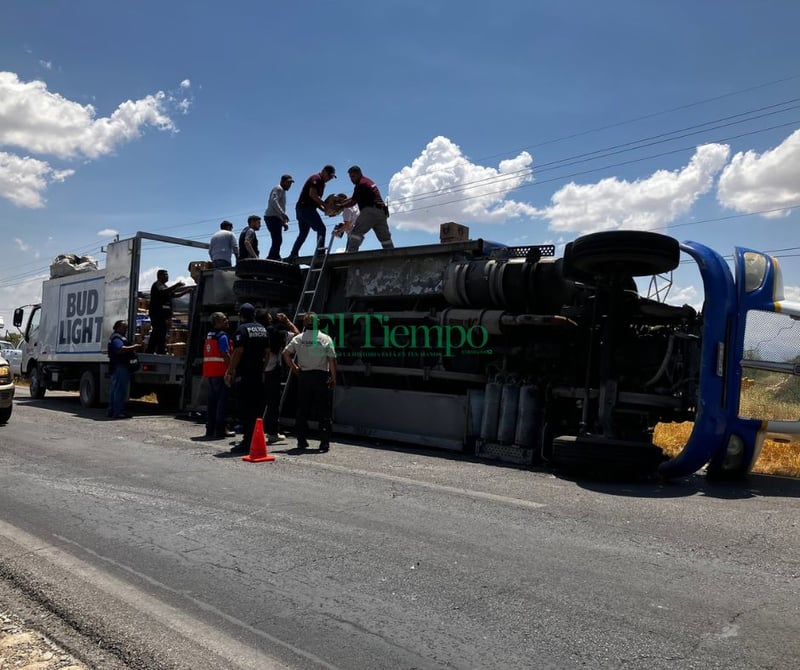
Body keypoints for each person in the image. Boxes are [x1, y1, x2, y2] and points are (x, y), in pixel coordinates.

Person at [282, 312, 337, 452]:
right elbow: (332, 360)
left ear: (305, 324)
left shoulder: (299, 339)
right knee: (323, 410)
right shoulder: (325, 339)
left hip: (304, 376)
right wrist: (333, 377)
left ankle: (301, 441)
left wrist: (295, 369)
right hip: (321, 376)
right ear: (318, 323)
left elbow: (285, 354)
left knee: (302, 409)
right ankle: (324, 442)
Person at [224, 303, 270, 454]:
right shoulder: (262, 329)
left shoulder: (242, 329)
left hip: (245, 375)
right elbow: (267, 353)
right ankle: (253, 438)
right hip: (258, 374)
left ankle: (246, 442)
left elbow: (238, 351)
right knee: (256, 409)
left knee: (245, 408)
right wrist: (262, 369)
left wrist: (230, 371)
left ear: (241, 315)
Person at [258, 310, 299, 443]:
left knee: (256, 401)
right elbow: (297, 335)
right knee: (273, 403)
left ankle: (252, 430)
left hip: (255, 370)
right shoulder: (275, 332)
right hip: (272, 370)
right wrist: (287, 321)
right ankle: (272, 432)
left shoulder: (253, 331)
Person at [285, 165, 337, 263]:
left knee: (303, 233)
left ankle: (293, 254)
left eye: (332, 177)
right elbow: (312, 194)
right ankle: (320, 253)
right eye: (329, 176)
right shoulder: (316, 178)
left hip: (303, 208)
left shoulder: (322, 184)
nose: (330, 179)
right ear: (324, 171)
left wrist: (326, 211)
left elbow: (316, 201)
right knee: (322, 229)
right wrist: (326, 205)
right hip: (305, 208)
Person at [340, 166, 394, 252]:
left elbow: (353, 202)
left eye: (353, 176)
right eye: (350, 177)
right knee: (385, 238)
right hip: (381, 212)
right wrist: (343, 202)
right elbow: (354, 198)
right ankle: (393, 256)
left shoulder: (360, 184)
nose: (351, 179)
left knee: (356, 233)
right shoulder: (367, 181)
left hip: (370, 212)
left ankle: (351, 256)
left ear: (359, 174)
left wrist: (340, 206)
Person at [202, 312, 236, 439]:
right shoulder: (222, 336)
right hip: (221, 372)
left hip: (210, 372)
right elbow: (224, 353)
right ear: (217, 322)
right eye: (224, 319)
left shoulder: (210, 335)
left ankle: (210, 428)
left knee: (212, 402)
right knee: (222, 402)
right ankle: (220, 429)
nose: (227, 320)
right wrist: (231, 369)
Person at [146, 269, 193, 354]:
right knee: (160, 332)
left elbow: (174, 295)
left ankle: (150, 350)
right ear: (159, 276)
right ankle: (161, 351)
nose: (167, 277)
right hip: (157, 314)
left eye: (167, 275)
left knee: (157, 333)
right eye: (165, 275)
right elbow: (163, 292)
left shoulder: (165, 286)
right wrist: (176, 285)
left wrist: (186, 291)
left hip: (163, 316)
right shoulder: (157, 285)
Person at [107, 320, 140, 419]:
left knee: (115, 390)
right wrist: (134, 347)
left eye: (126, 327)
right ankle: (118, 412)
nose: (126, 329)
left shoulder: (117, 336)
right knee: (119, 390)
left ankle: (112, 411)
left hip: (118, 366)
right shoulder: (117, 337)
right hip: (120, 367)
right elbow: (119, 349)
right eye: (124, 327)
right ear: (118, 327)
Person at [264, 175, 294, 260]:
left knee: (277, 239)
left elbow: (279, 206)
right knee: (277, 239)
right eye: (288, 183)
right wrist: (282, 213)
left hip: (275, 218)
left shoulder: (282, 191)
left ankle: (274, 256)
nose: (289, 185)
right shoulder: (278, 188)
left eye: (290, 183)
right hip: (271, 217)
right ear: (282, 181)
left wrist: (283, 222)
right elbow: (273, 201)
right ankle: (272, 257)